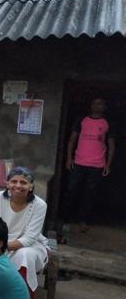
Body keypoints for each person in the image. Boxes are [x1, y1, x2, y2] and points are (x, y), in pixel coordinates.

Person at [0, 166, 49, 299]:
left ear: (31, 187)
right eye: (14, 181)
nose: (18, 185)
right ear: (7, 184)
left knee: (25, 256)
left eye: (23, 182)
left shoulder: (40, 205)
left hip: (29, 245)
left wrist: (0, 247)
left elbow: (29, 238)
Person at [60, 97, 115, 235]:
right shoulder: (82, 120)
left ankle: (82, 219)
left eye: (101, 103)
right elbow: (72, 139)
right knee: (72, 190)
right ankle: (65, 219)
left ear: (105, 107)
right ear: (90, 105)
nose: (97, 106)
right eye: (95, 103)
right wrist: (69, 158)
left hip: (97, 164)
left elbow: (111, 145)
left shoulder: (107, 123)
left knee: (89, 194)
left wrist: (108, 165)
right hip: (79, 162)